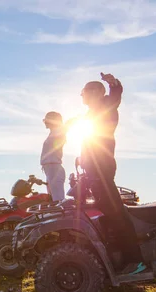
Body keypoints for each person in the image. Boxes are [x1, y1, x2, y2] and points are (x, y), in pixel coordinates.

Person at [79, 73, 145, 271]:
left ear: (96, 92)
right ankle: (116, 256)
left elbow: (115, 96)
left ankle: (135, 261)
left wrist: (113, 83)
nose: (81, 96)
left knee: (116, 213)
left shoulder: (105, 105)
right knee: (107, 213)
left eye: (83, 92)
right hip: (94, 170)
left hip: (102, 169)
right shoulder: (90, 114)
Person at [40, 111, 67, 202]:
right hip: (50, 169)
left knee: (58, 200)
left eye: (48, 119)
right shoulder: (52, 133)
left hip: (54, 168)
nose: (45, 122)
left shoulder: (58, 132)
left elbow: (65, 128)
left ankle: (63, 216)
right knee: (53, 200)